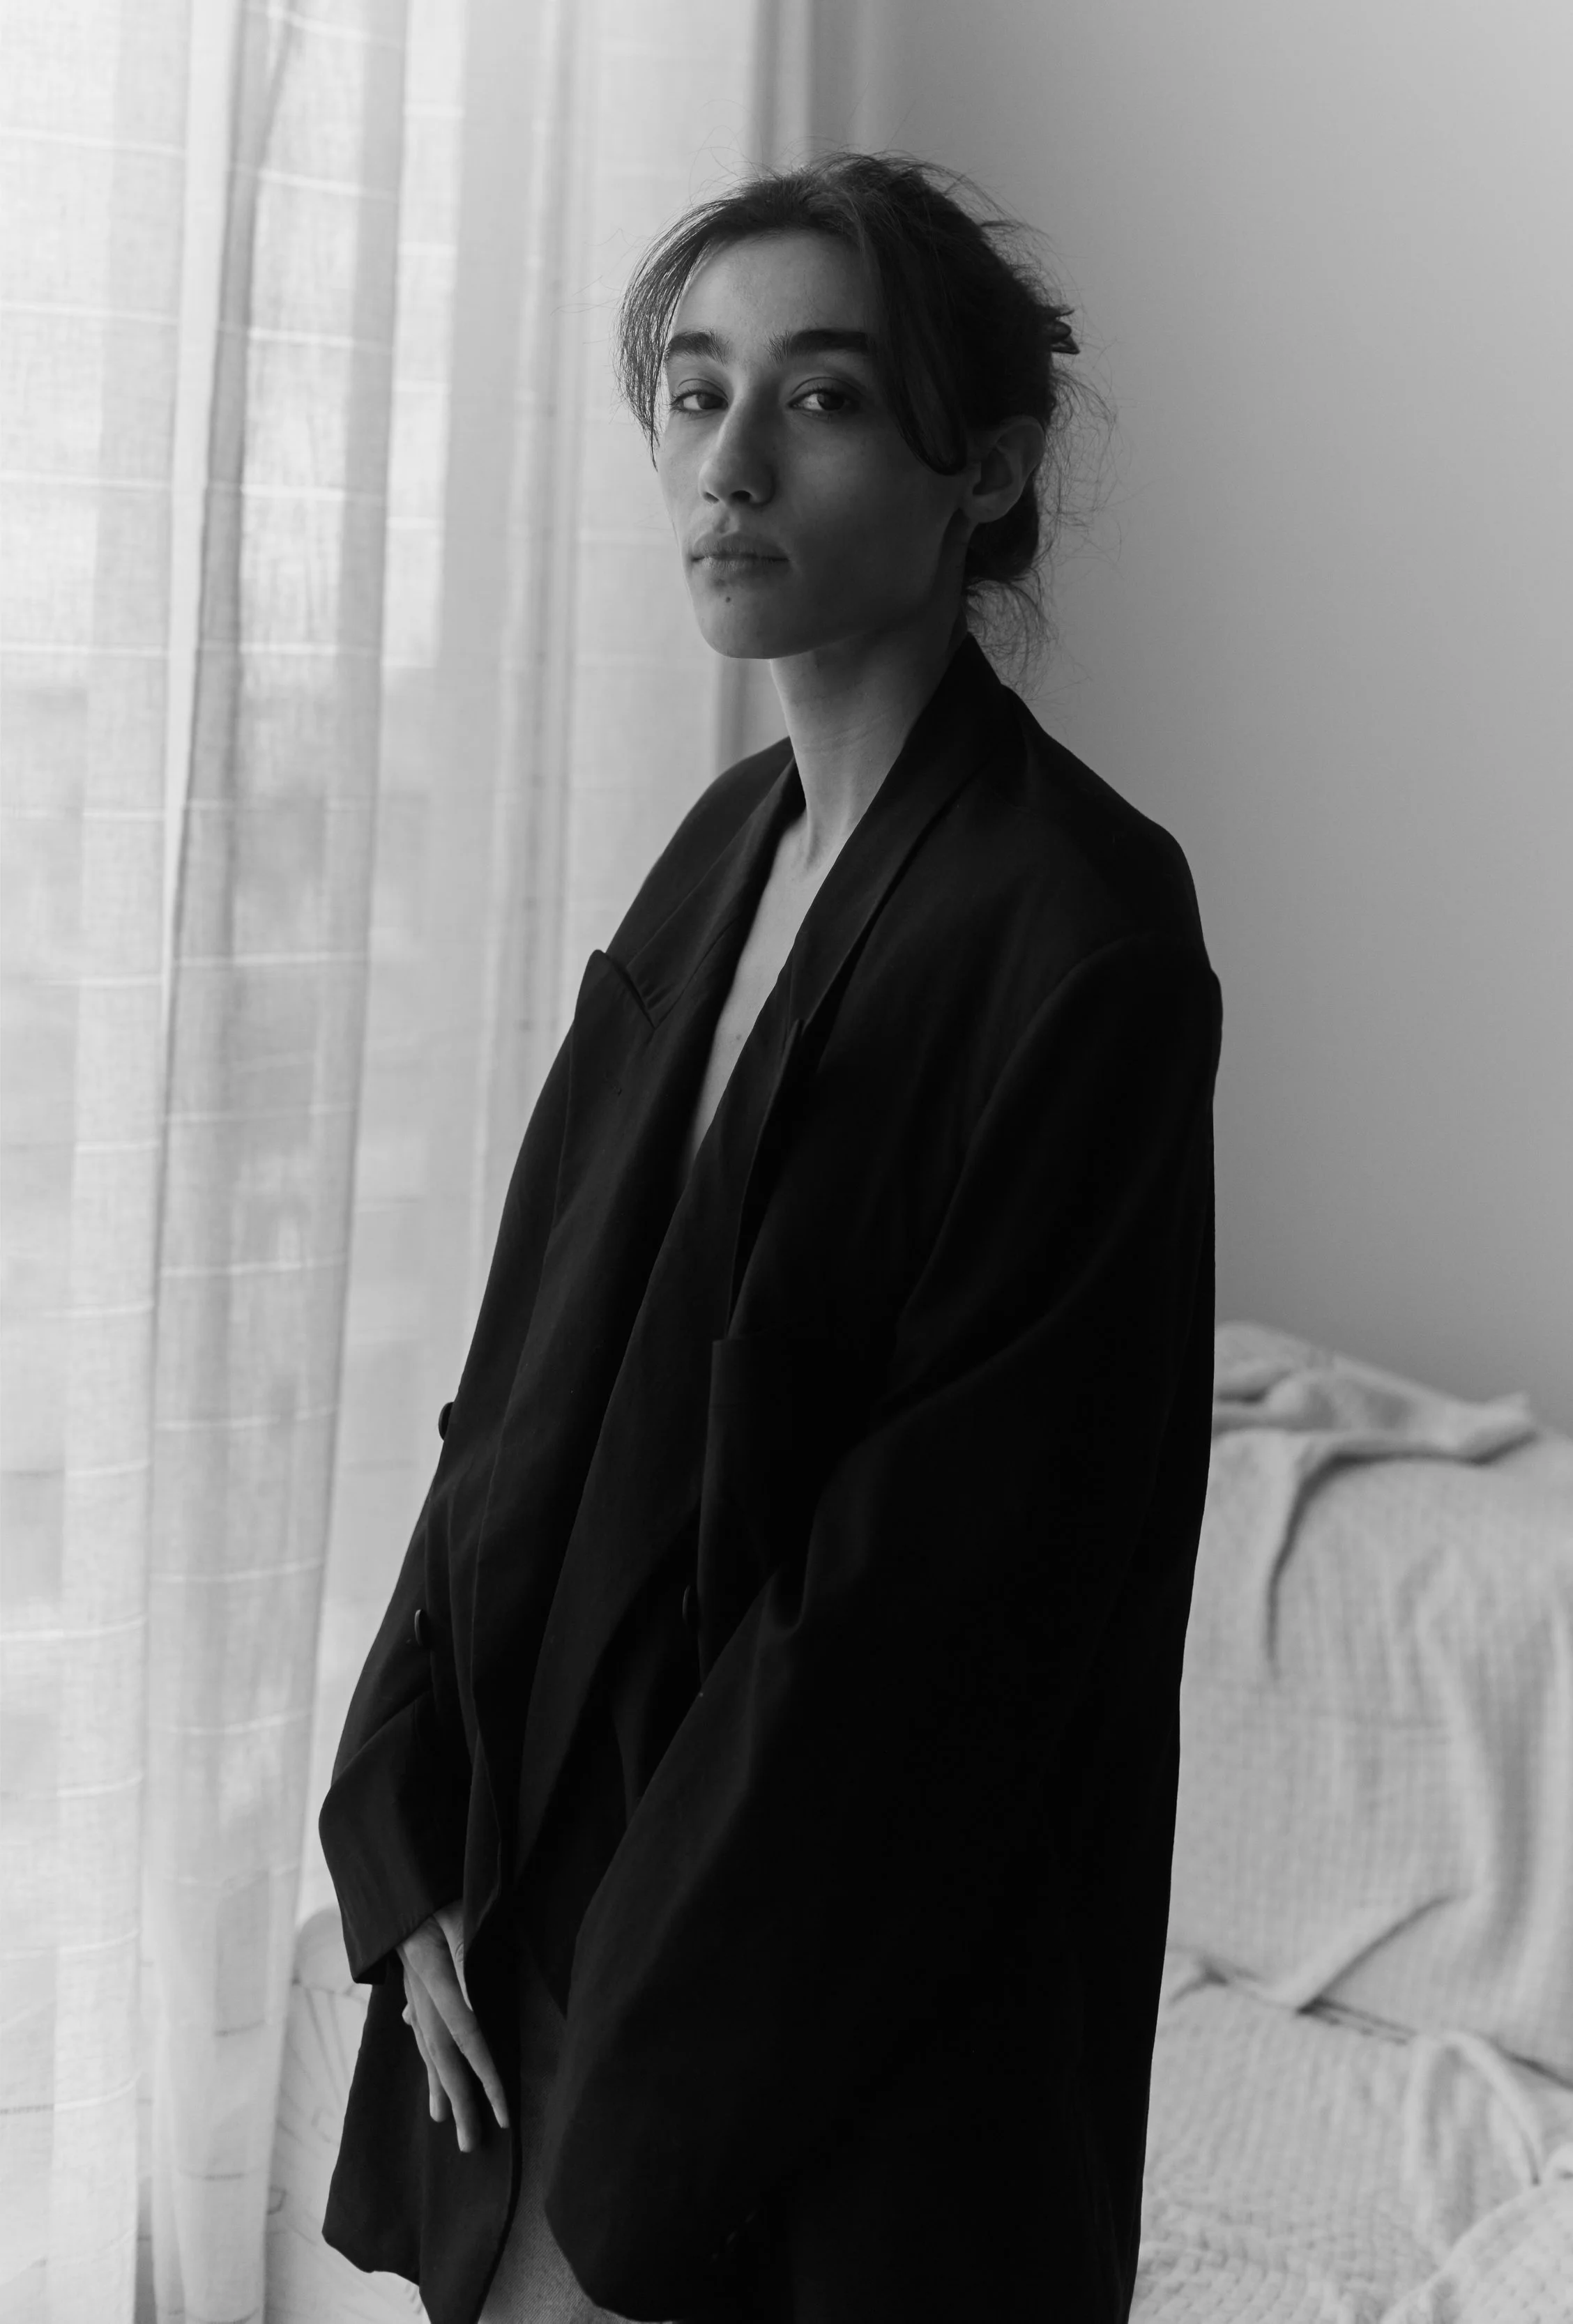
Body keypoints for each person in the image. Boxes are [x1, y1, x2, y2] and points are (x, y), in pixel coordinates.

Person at [319, 151, 1223, 2324]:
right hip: (558, 1896)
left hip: (810, 2003)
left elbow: (926, 1625)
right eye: (693, 390)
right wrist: (409, 1806)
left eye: (816, 397)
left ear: (979, 466)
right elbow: (523, 1383)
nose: (728, 462)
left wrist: (628, 2131)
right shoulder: (726, 845)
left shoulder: (1081, 933)